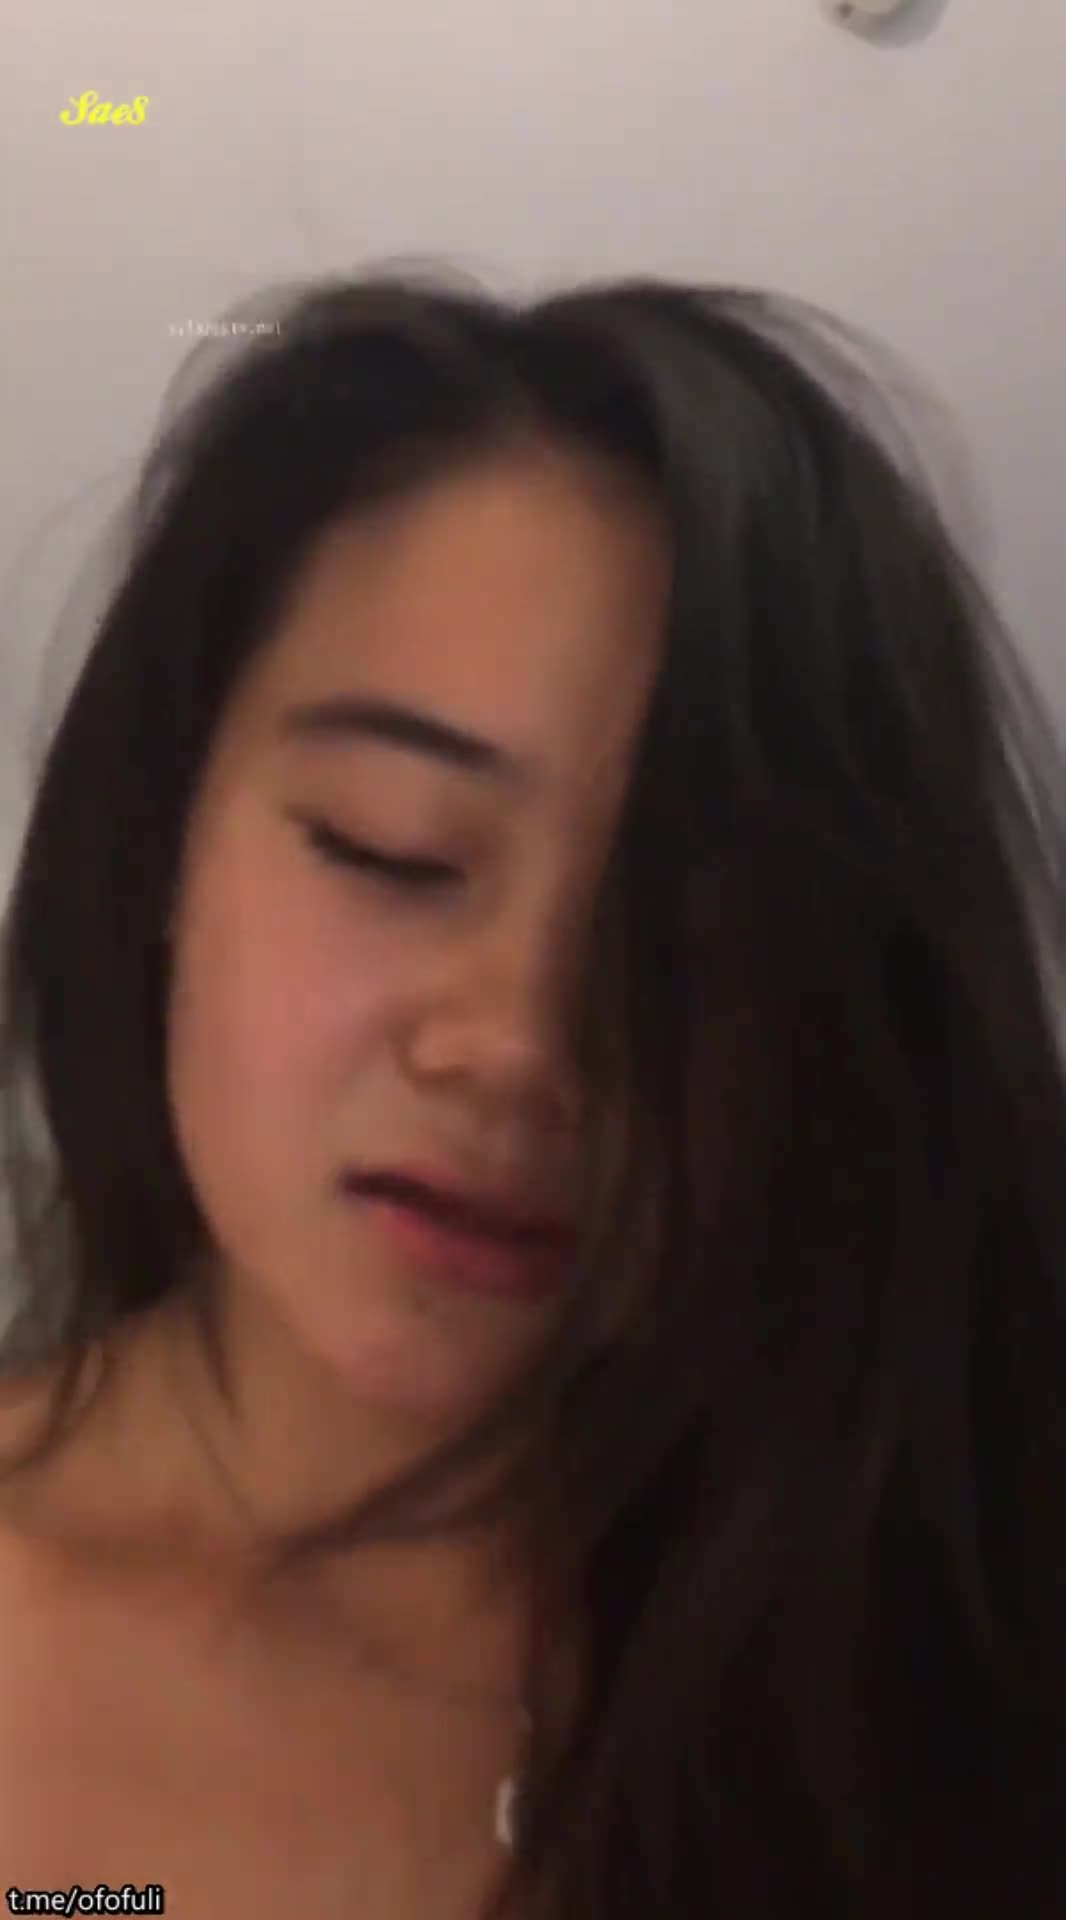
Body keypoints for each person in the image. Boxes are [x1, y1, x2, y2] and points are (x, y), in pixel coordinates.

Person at [1, 268, 1065, 1920]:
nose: (518, 1044)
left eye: (689, 940)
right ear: (159, 844)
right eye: (392, 850)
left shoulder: (935, 1660)